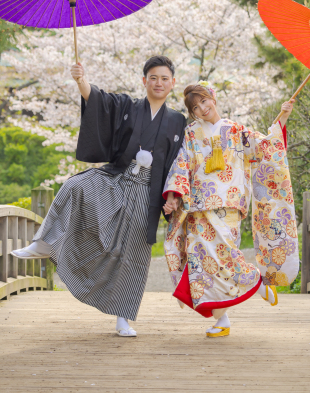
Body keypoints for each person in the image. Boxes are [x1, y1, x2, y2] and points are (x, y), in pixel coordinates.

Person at [12, 56, 187, 337]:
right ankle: (45, 243)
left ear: (173, 83)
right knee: (75, 186)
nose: (158, 83)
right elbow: (99, 101)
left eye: (164, 78)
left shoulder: (178, 121)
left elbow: (181, 162)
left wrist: (175, 195)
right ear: (144, 81)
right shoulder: (128, 106)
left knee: (133, 253)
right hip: (117, 177)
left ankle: (123, 318)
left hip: (148, 191)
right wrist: (81, 80)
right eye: (153, 77)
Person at [162, 82, 299, 337]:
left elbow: (265, 147)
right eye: (195, 107)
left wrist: (283, 118)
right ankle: (221, 320)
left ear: (213, 98)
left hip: (229, 204)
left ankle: (256, 284)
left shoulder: (236, 130)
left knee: (226, 255)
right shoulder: (191, 133)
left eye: (205, 101)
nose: (202, 108)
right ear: (192, 113)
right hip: (198, 206)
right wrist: (173, 195)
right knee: (202, 263)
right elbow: (182, 164)